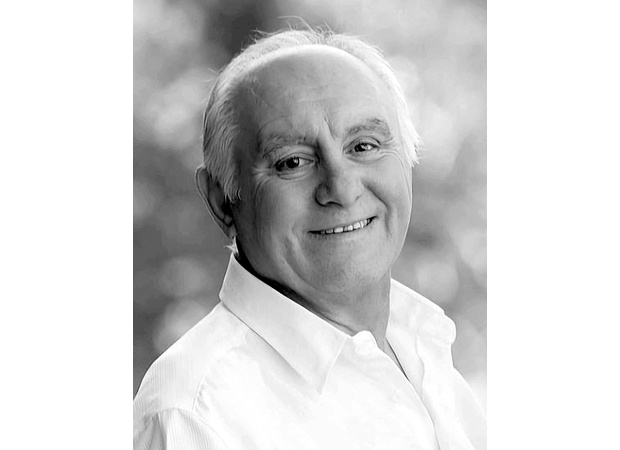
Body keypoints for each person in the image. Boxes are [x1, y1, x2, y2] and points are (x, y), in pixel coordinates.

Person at [134, 28, 486, 450]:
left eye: (364, 146)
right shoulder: (195, 414)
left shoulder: (426, 354)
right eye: (292, 162)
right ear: (222, 201)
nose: (342, 188)